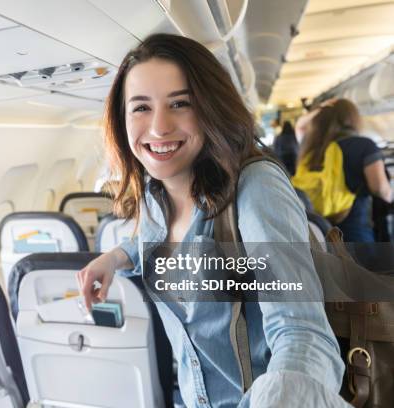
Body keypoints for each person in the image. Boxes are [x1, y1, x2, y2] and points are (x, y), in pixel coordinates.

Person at [76, 34, 347, 407]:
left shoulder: (255, 188)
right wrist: (115, 258)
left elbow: (302, 332)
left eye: (180, 103)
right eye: (141, 107)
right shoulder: (156, 197)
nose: (158, 127)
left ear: (209, 107)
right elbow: (160, 243)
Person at [296, 99, 392, 242]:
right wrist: (390, 195)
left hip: (318, 229)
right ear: (354, 119)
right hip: (354, 228)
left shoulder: (311, 146)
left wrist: (322, 108)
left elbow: (299, 127)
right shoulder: (364, 145)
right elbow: (379, 189)